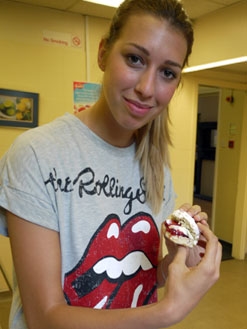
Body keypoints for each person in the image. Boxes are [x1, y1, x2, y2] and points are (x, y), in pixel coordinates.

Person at [0, 0, 222, 328]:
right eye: (134, 59)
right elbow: (43, 317)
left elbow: (139, 280)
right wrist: (169, 311)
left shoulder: (158, 169)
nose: (147, 88)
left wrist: (175, 261)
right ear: (103, 53)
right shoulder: (37, 155)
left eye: (167, 73)